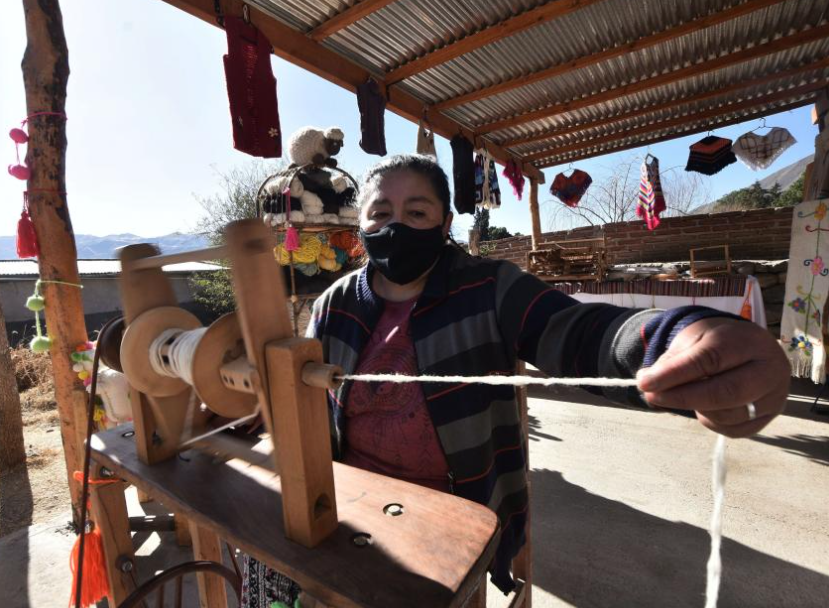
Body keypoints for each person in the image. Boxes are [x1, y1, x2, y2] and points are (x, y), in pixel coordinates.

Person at [241, 155, 790, 606]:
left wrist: (675, 336)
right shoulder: (336, 304)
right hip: (357, 505)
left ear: (444, 224)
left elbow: (576, 330)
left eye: (417, 211)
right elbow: (306, 399)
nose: (396, 226)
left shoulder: (488, 287)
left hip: (460, 511)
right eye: (380, 211)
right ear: (360, 226)